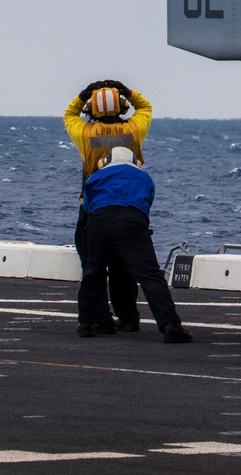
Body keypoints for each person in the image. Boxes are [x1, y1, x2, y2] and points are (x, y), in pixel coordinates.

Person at [63, 79, 153, 331]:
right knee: (124, 266)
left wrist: (83, 95)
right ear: (123, 106)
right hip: (130, 204)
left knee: (93, 266)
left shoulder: (85, 133)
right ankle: (128, 316)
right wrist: (127, 91)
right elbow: (145, 107)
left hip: (94, 208)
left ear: (91, 110)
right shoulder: (134, 130)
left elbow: (69, 114)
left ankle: (101, 318)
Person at [78, 145, 192, 343]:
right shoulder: (144, 177)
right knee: (149, 274)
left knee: (93, 271)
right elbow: (147, 202)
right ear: (135, 161)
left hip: (98, 221)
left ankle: (87, 323)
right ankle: (170, 325)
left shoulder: (95, 177)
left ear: (105, 161)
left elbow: (86, 205)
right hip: (130, 220)